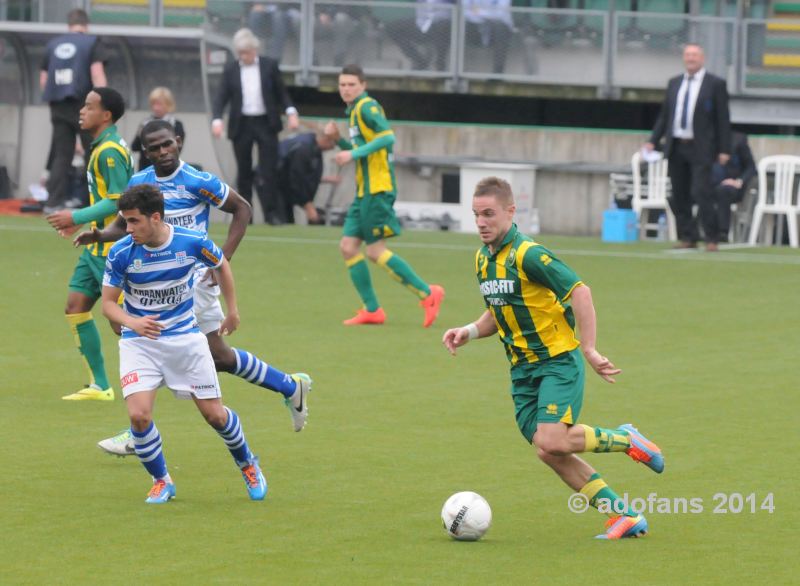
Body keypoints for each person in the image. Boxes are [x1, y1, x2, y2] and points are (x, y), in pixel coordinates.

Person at [442, 177, 665, 540]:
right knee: (549, 451)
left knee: (554, 441)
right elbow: (500, 310)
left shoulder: (529, 254)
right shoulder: (483, 259)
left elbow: (580, 292)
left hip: (557, 362)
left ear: (510, 212)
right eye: (476, 215)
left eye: (489, 214)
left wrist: (588, 348)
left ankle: (628, 440)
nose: (481, 222)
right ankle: (623, 515)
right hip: (522, 372)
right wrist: (467, 331)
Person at [74, 120, 312, 456]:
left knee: (217, 356)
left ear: (179, 142)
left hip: (193, 283)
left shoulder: (198, 181)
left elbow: (242, 208)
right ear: (145, 152)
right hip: (152, 281)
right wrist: (100, 235)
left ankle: (288, 385)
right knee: (139, 339)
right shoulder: (140, 182)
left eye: (167, 144)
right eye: (154, 148)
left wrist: (221, 261)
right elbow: (125, 223)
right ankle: (138, 427)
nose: (162, 152)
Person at [101, 184, 267, 504]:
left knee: (215, 416)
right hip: (140, 342)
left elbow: (221, 264)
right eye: (125, 221)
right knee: (138, 416)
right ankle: (162, 480)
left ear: (156, 217)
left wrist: (232, 311)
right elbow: (108, 304)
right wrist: (132, 322)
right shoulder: (121, 252)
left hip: (185, 340)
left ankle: (247, 463)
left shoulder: (190, 242)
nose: (128, 228)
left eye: (134, 221)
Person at [324, 64, 444, 327]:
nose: (345, 89)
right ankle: (373, 310)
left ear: (363, 86)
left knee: (376, 251)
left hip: (378, 190)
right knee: (348, 247)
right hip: (363, 191)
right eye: (342, 84)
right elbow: (362, 148)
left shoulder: (367, 106)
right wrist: (339, 141)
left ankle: (428, 293)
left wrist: (352, 153)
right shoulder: (353, 111)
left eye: (351, 84)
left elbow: (387, 137)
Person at [46, 87, 133, 401]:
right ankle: (100, 385)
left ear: (106, 115)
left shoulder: (109, 151)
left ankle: (158, 376)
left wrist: (75, 215)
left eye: (89, 106)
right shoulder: (102, 146)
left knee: (122, 323)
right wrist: (82, 224)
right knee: (76, 306)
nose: (82, 110)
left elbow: (119, 202)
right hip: (94, 246)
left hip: (111, 249)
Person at [645, 43, 732, 252]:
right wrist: (653, 140)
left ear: (702, 58)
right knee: (679, 193)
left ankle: (712, 237)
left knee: (701, 192)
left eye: (694, 55)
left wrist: (724, 149)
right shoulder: (674, 83)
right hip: (676, 146)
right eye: (687, 55)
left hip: (701, 148)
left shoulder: (715, 84)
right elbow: (665, 116)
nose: (691, 58)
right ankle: (688, 235)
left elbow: (723, 119)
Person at [211, 28, 300, 225]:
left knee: (268, 170)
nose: (244, 56)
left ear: (255, 50)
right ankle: (245, 216)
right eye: (240, 53)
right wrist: (217, 120)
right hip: (242, 124)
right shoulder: (231, 69)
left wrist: (291, 112)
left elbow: (281, 93)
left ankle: (271, 214)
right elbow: (221, 97)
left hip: (266, 123)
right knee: (244, 172)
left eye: (247, 52)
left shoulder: (269, 66)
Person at [40, 8, 107, 212]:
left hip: (58, 105)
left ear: (69, 24)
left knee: (62, 154)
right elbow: (97, 74)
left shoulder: (52, 45)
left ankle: (53, 203)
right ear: (86, 25)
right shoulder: (91, 42)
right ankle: (95, 201)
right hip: (84, 104)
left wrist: (54, 102)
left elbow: (44, 80)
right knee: (92, 152)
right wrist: (104, 103)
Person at [277, 131, 338, 225]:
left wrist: (325, 179)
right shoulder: (304, 148)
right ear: (326, 139)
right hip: (275, 184)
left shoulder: (314, 148)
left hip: (284, 186)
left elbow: (305, 174)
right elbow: (297, 177)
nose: (333, 147)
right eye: (333, 143)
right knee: (281, 222)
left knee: (288, 222)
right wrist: (307, 205)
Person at [711, 131, 756, 243]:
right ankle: (688, 232)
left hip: (732, 187)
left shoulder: (738, 140)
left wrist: (739, 181)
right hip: (710, 183)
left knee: (722, 191)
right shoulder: (706, 139)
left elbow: (751, 167)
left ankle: (722, 233)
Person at [384, 0, 454, 71]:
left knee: (444, 26)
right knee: (391, 28)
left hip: (440, 24)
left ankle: (440, 63)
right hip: (421, 24)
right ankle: (419, 61)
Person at [130, 87, 185, 172]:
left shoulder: (176, 124)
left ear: (168, 104)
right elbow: (134, 147)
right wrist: (140, 135)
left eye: (159, 104)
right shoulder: (145, 123)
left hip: (168, 169)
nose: (155, 108)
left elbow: (177, 149)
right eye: (153, 104)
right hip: (146, 169)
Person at [463, 0, 513, 75]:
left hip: (498, 27)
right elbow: (465, 12)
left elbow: (500, 14)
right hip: (475, 24)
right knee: (461, 26)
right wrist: (486, 15)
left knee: (500, 28)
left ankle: (497, 74)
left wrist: (479, 13)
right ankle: (461, 73)